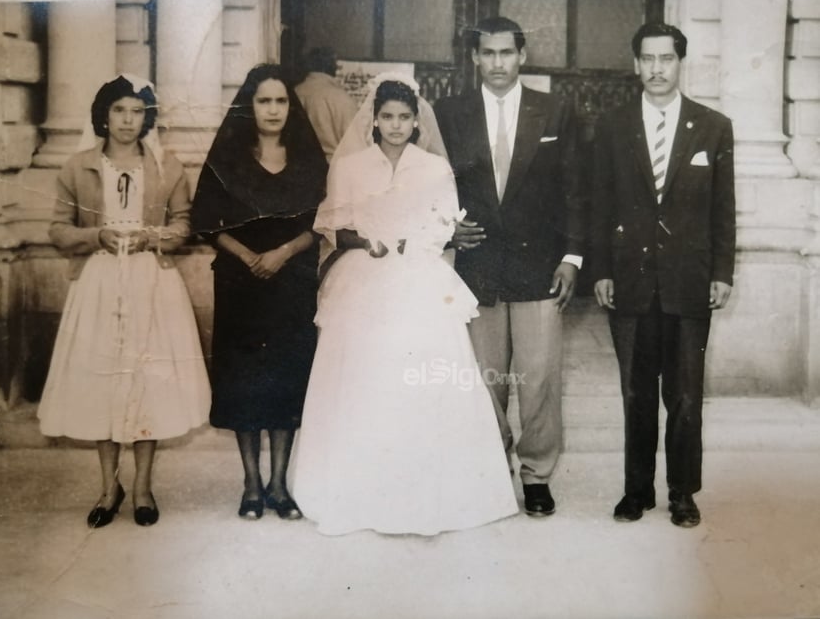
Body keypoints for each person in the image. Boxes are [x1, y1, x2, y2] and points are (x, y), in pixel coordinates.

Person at [291, 75, 518, 536]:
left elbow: (443, 227)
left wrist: (417, 241)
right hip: (365, 278)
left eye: (404, 118)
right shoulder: (351, 166)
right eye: (387, 117)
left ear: (417, 121)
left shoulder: (434, 168)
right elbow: (334, 226)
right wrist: (368, 242)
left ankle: (426, 495)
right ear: (374, 119)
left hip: (418, 278)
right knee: (365, 379)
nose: (395, 126)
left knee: (423, 376)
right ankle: (359, 493)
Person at [38, 74, 211, 528]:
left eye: (136, 111)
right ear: (104, 115)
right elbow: (57, 230)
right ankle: (108, 485)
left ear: (146, 117)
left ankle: (143, 487)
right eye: (119, 111)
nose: (128, 121)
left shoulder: (166, 166)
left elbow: (183, 224)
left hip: (152, 282)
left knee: (147, 380)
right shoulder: (77, 166)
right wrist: (99, 234)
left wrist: (151, 238)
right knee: (105, 382)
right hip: (98, 281)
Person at [434, 17, 585, 517]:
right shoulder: (449, 114)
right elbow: (427, 185)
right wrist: (444, 230)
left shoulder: (555, 111)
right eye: (488, 53)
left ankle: (537, 474)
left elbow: (575, 191)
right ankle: (491, 466)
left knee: (539, 376)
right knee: (484, 377)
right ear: (474, 58)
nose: (497, 63)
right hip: (476, 269)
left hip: (540, 267)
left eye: (506, 53)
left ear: (522, 56)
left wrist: (572, 257)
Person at [591, 22, 735, 527]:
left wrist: (722, 272)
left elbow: (723, 209)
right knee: (635, 392)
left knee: (686, 394)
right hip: (629, 280)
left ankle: (681, 492)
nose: (656, 69)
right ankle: (636, 491)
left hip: (689, 283)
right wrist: (602, 270)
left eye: (666, 59)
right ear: (635, 64)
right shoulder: (611, 126)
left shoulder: (713, 127)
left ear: (680, 63)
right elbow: (600, 202)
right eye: (647, 59)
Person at [192, 64, 328, 521]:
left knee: (286, 380)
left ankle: (279, 484)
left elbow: (321, 221)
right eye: (264, 101)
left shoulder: (309, 159)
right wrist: (249, 256)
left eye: (281, 101)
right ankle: (251, 483)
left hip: (291, 283)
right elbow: (206, 220)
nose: (273, 110)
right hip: (240, 284)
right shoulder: (227, 158)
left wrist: (283, 253)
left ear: (292, 107)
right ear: (250, 107)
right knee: (245, 383)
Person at [295, 47, 358, 162]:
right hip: (334, 169)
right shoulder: (342, 98)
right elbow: (356, 146)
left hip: (299, 167)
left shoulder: (295, 92)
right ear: (330, 66)